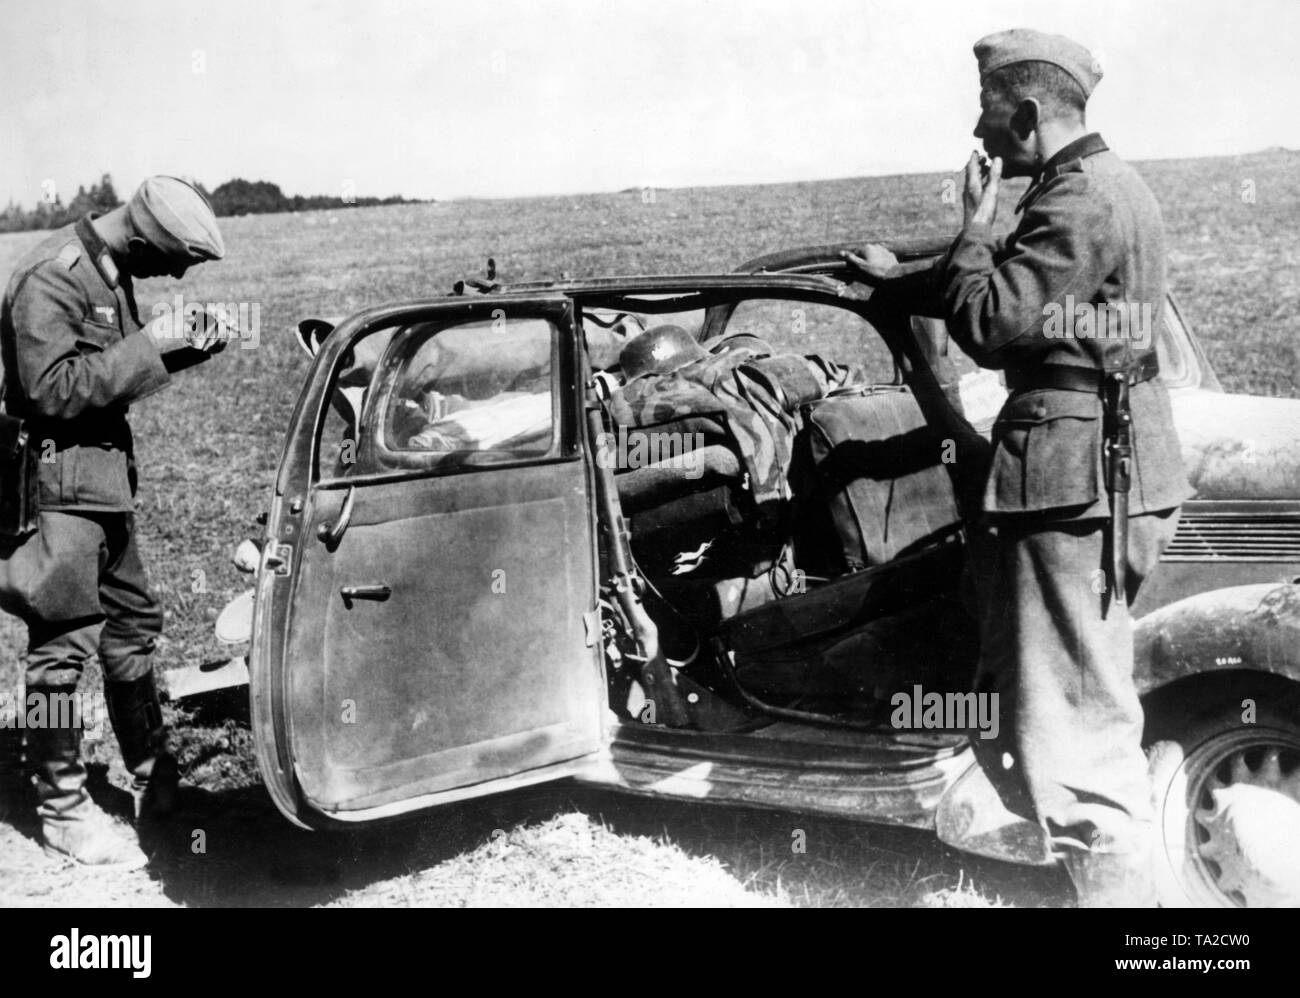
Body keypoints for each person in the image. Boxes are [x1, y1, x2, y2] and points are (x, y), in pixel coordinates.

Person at [844, 29, 1192, 906]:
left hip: (1072, 478)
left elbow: (995, 321)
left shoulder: (1075, 201)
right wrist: (906, 280)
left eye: (989, 109)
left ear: (1028, 113)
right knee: (1085, 696)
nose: (979, 126)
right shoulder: (1103, 186)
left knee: (1073, 725)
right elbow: (1030, 294)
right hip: (1111, 467)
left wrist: (972, 226)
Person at [0, 176, 227, 869]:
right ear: (145, 238)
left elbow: (107, 370)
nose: (177, 274)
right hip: (61, 492)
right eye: (175, 260)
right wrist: (150, 346)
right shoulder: (54, 274)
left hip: (104, 489)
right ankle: (63, 806)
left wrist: (178, 349)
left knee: (133, 628)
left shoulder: (110, 268)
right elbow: (49, 390)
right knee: (58, 656)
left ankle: (152, 771)